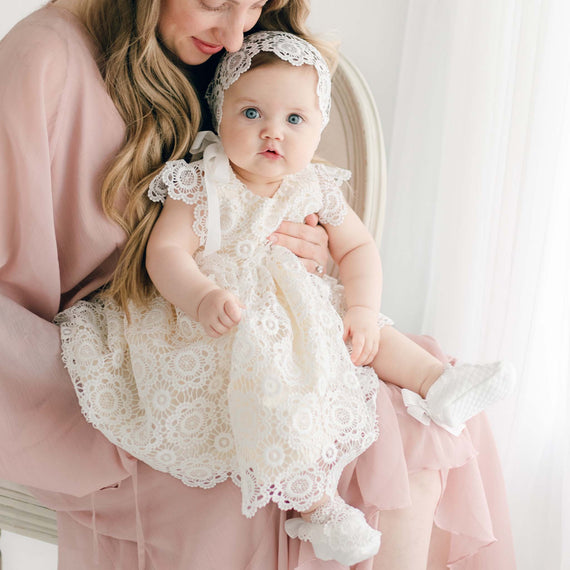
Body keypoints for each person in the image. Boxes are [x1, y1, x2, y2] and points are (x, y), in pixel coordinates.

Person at [0, 1, 517, 569]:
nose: (235, 33)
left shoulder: (237, 50)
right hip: (109, 361)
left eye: (256, 4)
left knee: (419, 428)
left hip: (266, 316)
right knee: (299, 444)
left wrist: (311, 247)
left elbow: (314, 216)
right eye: (216, 2)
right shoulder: (43, 62)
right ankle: (315, 503)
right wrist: (195, 297)